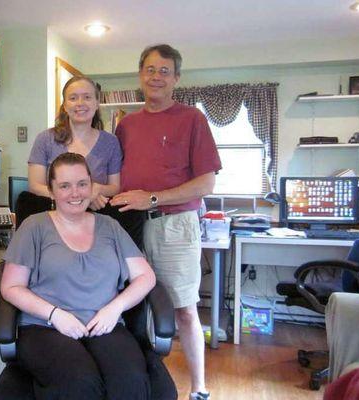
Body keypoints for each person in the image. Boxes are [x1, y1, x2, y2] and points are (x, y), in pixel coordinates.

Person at [111, 44, 222, 400]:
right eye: (150, 69)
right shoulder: (125, 125)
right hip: (130, 226)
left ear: (176, 78)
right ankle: (141, 383)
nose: (156, 76)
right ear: (140, 75)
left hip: (174, 225)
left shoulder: (192, 119)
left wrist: (153, 198)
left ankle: (199, 388)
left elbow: (206, 183)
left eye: (164, 71)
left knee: (184, 310)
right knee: (134, 307)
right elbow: (115, 177)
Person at [1, 152, 156, 400]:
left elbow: (146, 277)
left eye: (82, 184)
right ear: (51, 191)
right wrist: (56, 315)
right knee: (80, 383)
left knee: (130, 381)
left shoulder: (110, 226)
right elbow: (11, 286)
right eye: (65, 186)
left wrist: (114, 309)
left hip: (104, 325)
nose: (76, 193)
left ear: (92, 186)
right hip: (45, 328)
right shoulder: (34, 226)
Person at [28, 76, 122, 210]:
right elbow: (35, 185)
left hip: (96, 217)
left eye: (87, 97)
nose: (80, 103)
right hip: (53, 216)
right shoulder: (45, 139)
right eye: (73, 98)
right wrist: (79, 197)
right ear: (65, 106)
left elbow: (115, 187)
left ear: (96, 104)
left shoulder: (111, 142)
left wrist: (97, 189)